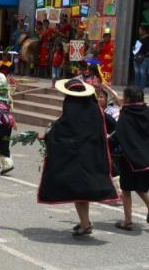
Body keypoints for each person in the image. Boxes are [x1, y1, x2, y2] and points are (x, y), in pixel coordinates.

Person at [38, 78, 119, 237]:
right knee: (82, 192)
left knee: (78, 191)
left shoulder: (71, 108)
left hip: (75, 156)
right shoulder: (96, 109)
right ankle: (84, 222)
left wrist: (47, 137)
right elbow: (112, 125)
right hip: (94, 155)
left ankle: (85, 223)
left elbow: (61, 131)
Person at [113, 86, 149, 231]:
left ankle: (127, 221)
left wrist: (105, 146)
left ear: (128, 99)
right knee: (139, 185)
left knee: (126, 189)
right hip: (147, 159)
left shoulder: (126, 114)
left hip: (129, 157)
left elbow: (119, 135)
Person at [133, 25, 149, 90]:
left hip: (145, 58)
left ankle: (141, 88)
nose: (139, 31)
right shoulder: (139, 38)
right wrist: (134, 50)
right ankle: (136, 87)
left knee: (142, 73)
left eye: (140, 30)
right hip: (137, 57)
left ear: (144, 31)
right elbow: (136, 47)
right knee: (137, 73)